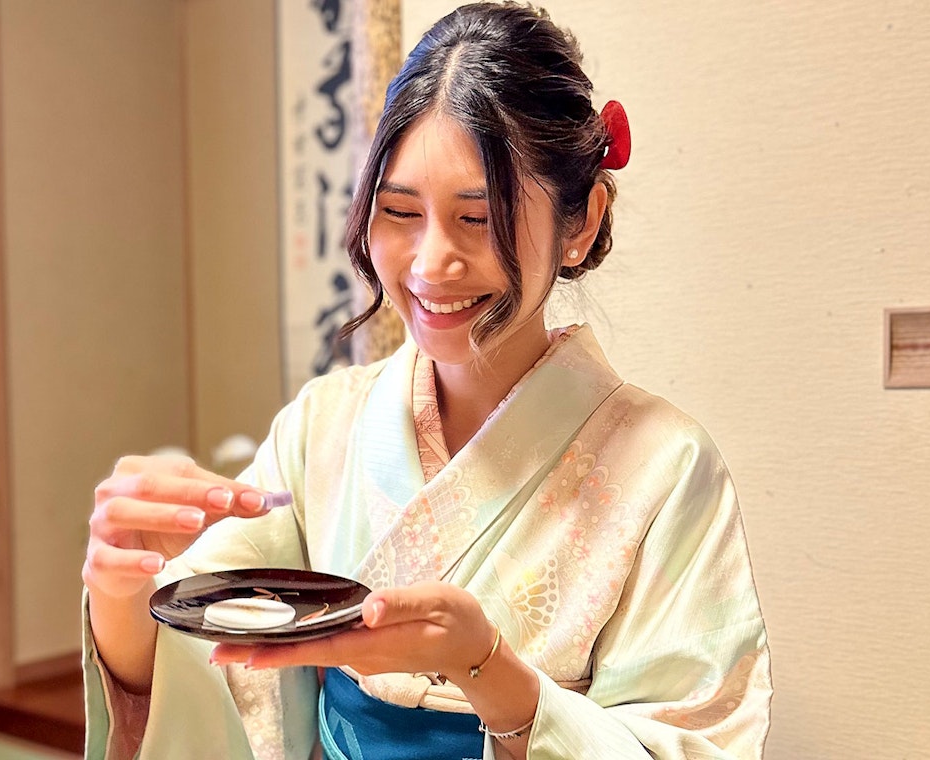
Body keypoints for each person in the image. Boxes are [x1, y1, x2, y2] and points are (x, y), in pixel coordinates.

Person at [81, 3, 772, 758]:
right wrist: (123, 595)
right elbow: (212, 672)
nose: (429, 264)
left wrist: (489, 670)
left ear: (579, 222)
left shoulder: (667, 468)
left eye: (478, 218)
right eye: (399, 211)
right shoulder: (325, 427)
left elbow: (693, 744)